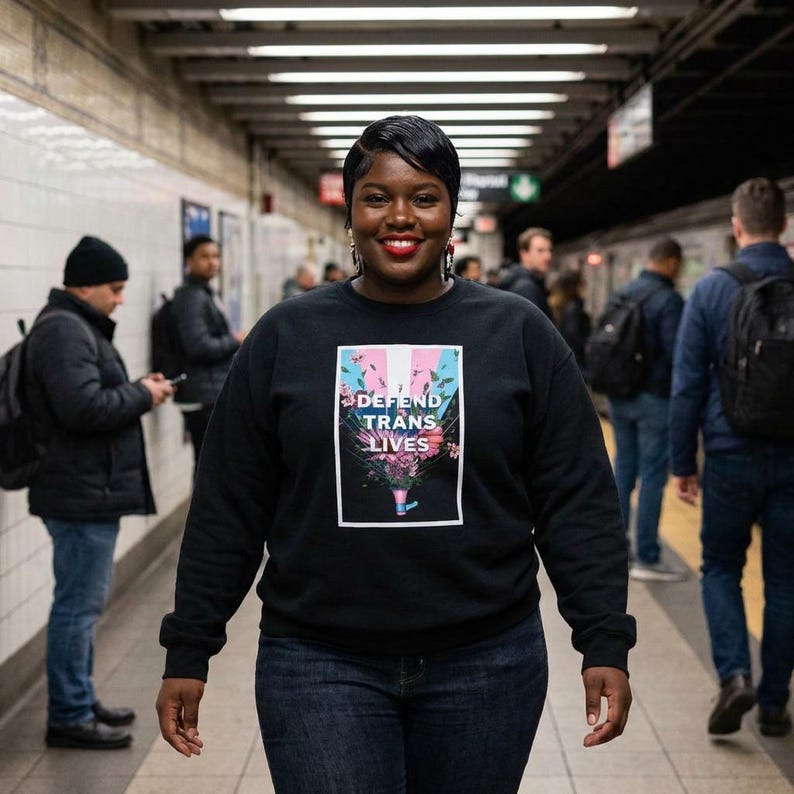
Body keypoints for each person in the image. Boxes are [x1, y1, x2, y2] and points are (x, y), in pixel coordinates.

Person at [156, 115, 635, 793]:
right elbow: (229, 501)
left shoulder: (518, 333)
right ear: (349, 211)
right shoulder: (287, 337)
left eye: (426, 196)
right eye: (377, 197)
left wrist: (602, 635)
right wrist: (190, 644)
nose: (400, 216)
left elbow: (576, 495)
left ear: (452, 212)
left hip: (488, 660)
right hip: (317, 660)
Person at [23, 236, 174, 749]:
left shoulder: (72, 326)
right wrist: (143, 395)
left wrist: (137, 387)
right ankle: (68, 714)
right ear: (84, 284)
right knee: (77, 607)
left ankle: (81, 699)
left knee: (83, 605)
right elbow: (82, 408)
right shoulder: (65, 330)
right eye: (114, 288)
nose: (120, 299)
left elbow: (87, 396)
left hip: (83, 489)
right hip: (77, 493)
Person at [670, 177, 794, 738]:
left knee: (720, 566)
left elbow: (687, 384)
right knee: (786, 581)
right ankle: (774, 704)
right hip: (791, 459)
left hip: (728, 454)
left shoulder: (712, 289)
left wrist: (681, 463)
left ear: (736, 225)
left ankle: (735, 674)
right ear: (785, 224)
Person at [609, 237, 685, 582]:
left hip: (620, 396)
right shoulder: (668, 300)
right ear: (670, 262)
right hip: (654, 399)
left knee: (624, 469)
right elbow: (677, 356)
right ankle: (648, 556)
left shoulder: (624, 291)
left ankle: (617, 549)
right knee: (653, 475)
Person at [172, 235, 243, 462]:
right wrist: (235, 340)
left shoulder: (204, 293)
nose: (212, 262)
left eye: (215, 256)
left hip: (208, 391)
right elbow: (198, 346)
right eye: (204, 256)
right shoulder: (192, 297)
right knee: (210, 464)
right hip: (202, 394)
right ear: (189, 261)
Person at [500, 227, 553, 317]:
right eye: (540, 250)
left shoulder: (519, 281)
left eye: (549, 250)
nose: (548, 257)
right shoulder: (526, 288)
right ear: (524, 254)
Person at [549, 269, 591, 372]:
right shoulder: (573, 308)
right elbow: (573, 335)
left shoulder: (562, 306)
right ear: (576, 287)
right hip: (577, 363)